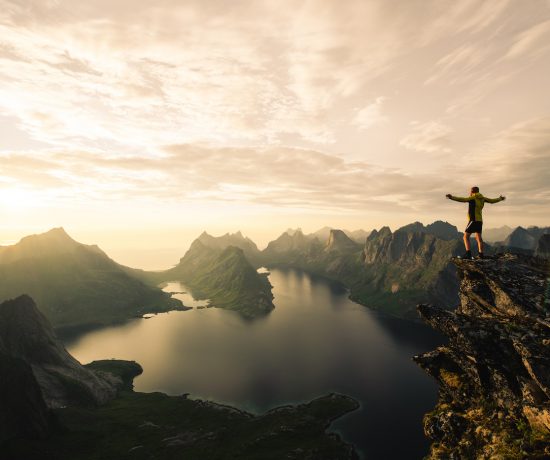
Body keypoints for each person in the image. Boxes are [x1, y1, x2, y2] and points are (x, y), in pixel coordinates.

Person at [446, 186, 505, 259]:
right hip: (479, 221)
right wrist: (500, 199)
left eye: (470, 191)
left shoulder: (473, 198)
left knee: (465, 237)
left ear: (472, 192)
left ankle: (468, 254)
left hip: (473, 220)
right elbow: (492, 201)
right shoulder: (483, 198)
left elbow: (463, 199)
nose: (469, 193)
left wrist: (452, 197)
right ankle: (481, 254)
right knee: (479, 238)